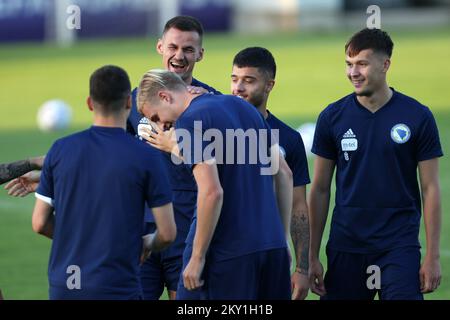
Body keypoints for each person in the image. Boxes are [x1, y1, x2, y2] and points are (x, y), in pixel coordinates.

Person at [308, 28, 443, 300]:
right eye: (348, 64)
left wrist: (432, 256)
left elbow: (430, 188)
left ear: (385, 64)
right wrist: (310, 256)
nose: (353, 72)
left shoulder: (418, 116)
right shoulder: (332, 117)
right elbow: (320, 189)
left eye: (362, 64)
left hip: (398, 245)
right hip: (347, 244)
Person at [137, 69, 293, 299]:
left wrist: (197, 257)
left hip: (225, 253)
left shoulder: (188, 123)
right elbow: (284, 173)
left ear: (164, 97)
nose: (162, 126)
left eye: (156, 117)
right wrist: (282, 239)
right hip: (272, 248)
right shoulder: (244, 107)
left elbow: (212, 192)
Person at [31, 65, 176, 299]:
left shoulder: (60, 150)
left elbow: (39, 222)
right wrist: (146, 243)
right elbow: (167, 233)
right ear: (129, 102)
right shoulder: (146, 155)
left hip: (65, 286)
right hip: (116, 286)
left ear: (90, 103)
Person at [230, 47, 311, 300]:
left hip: (271, 254)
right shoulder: (215, 129)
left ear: (269, 85)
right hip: (226, 255)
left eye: (248, 80)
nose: (238, 88)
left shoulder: (289, 138)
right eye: (234, 79)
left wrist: (301, 267)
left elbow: (299, 206)